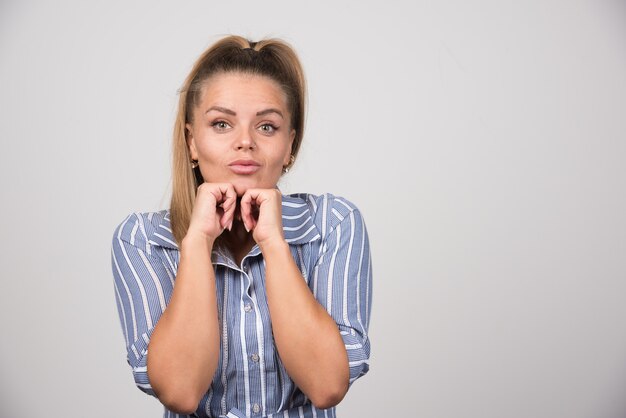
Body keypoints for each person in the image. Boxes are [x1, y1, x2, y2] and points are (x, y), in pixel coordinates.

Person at [111, 35, 372, 418]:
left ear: (290, 146)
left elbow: (327, 384)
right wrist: (198, 241)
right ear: (191, 142)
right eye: (221, 124)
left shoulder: (332, 225)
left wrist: (273, 243)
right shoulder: (142, 241)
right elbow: (181, 392)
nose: (245, 142)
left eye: (267, 127)